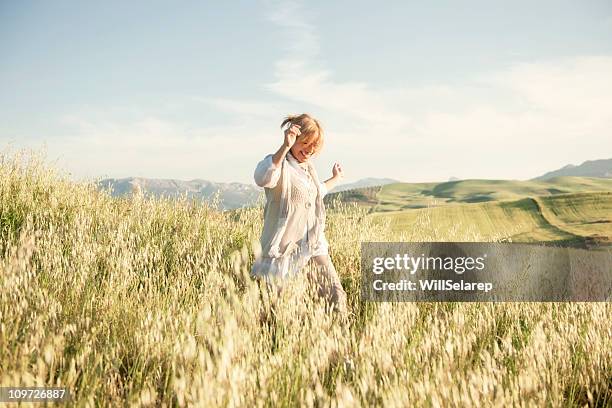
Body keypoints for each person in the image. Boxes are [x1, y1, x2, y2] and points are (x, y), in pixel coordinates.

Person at [251, 113, 348, 319]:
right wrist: (284, 147)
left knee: (336, 296)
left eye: (315, 146)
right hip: (283, 251)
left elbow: (315, 192)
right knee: (276, 313)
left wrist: (336, 179)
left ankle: (341, 347)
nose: (310, 150)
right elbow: (262, 178)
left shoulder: (308, 169)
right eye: (306, 143)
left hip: (313, 246)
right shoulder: (279, 165)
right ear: (294, 139)